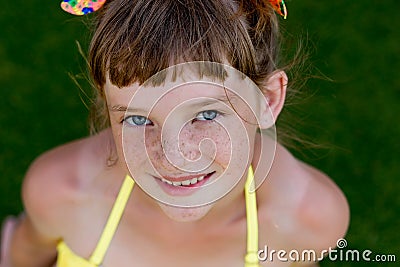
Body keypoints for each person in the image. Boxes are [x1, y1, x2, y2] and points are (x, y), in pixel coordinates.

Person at [1, 0, 350, 266]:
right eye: (138, 120)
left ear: (266, 99)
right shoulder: (61, 193)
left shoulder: (311, 219)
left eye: (206, 114)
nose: (172, 155)